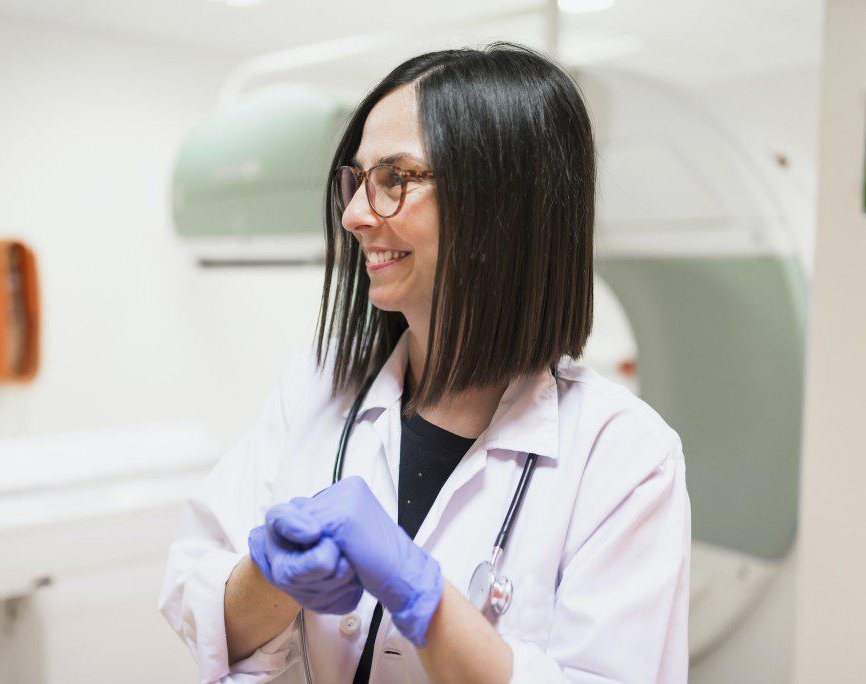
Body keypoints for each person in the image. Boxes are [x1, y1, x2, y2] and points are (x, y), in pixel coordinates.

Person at [159, 42, 690, 684]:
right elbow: (198, 599)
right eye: (357, 180)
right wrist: (271, 576)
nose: (354, 215)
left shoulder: (625, 457)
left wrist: (427, 599)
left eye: (395, 179)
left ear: (499, 205)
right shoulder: (318, 384)